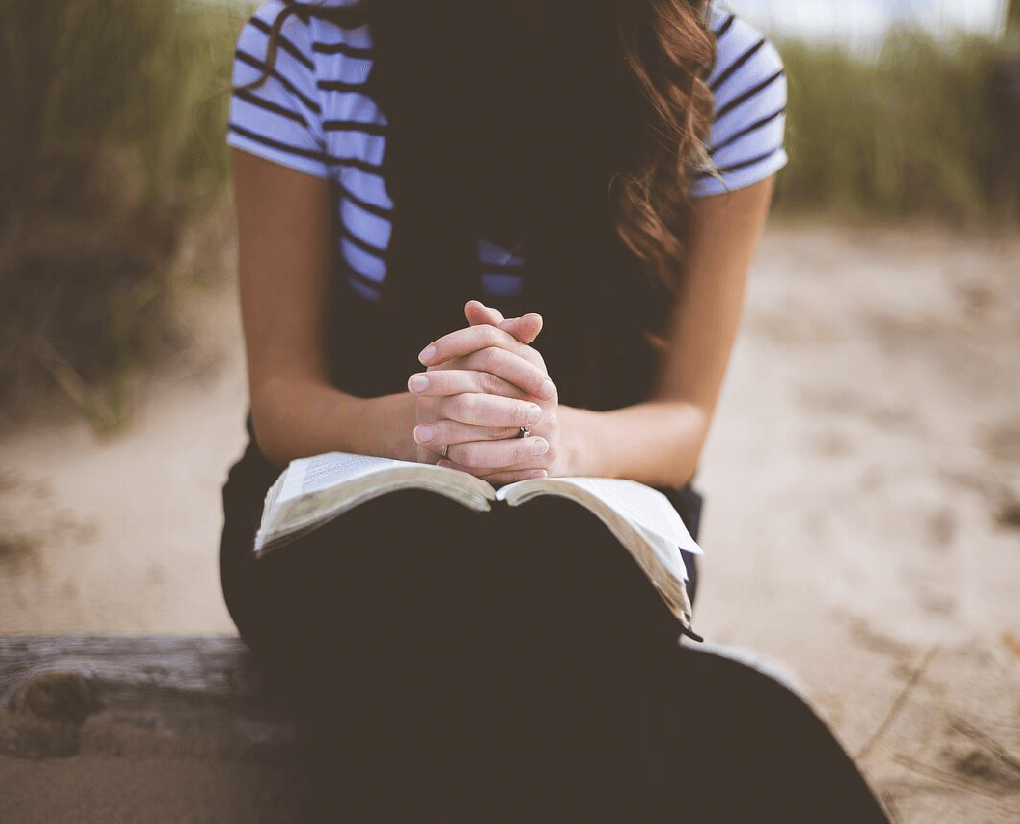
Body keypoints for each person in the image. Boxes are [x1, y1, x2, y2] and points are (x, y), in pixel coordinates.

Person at [219, 1, 890, 820]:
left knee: (550, 604)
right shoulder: (310, 39)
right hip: (342, 496)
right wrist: (433, 427)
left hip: (596, 509)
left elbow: (683, 422)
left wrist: (550, 440)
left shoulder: (725, 73)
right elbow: (281, 401)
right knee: (427, 611)